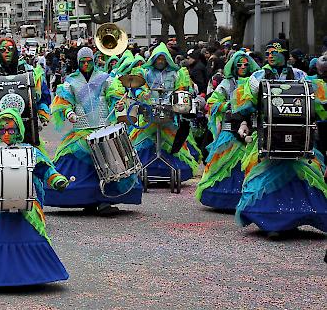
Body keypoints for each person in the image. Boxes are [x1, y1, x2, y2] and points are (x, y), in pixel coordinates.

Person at [0, 108, 70, 287]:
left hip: (25, 206)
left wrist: (57, 180)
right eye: (2, 131)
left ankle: (34, 275)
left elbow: (44, 169)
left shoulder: (30, 151)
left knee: (31, 236)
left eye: (10, 130)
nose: (6, 134)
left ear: (18, 130)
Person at [234, 40, 327, 235]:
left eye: (274, 52)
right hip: (266, 135)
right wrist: (243, 123)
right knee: (261, 173)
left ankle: (301, 215)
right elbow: (248, 105)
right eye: (267, 52)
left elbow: (313, 102)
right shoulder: (257, 76)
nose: (270, 55)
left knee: (306, 170)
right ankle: (270, 220)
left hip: (298, 135)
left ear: (285, 54)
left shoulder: (300, 75)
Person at [46, 47, 142, 213]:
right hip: (81, 130)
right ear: (78, 62)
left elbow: (115, 96)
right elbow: (64, 102)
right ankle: (84, 200)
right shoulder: (71, 81)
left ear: (94, 60)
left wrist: (118, 104)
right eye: (82, 62)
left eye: (89, 61)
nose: (86, 64)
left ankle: (105, 200)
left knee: (109, 161)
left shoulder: (105, 78)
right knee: (76, 163)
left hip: (102, 127)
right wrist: (69, 113)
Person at [196, 51, 260, 210]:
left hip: (252, 130)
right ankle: (225, 199)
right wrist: (228, 106)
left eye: (246, 64)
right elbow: (210, 104)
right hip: (230, 131)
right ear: (233, 66)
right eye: (239, 65)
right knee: (225, 164)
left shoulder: (255, 82)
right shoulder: (226, 84)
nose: (243, 67)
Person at [130, 43, 199, 183]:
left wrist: (175, 99)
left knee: (172, 143)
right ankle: (145, 171)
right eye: (158, 59)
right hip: (150, 113)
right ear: (153, 59)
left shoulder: (176, 74)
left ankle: (171, 172)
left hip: (169, 113)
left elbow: (182, 90)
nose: (160, 62)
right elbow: (136, 87)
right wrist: (143, 95)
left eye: (163, 59)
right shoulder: (146, 73)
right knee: (146, 142)